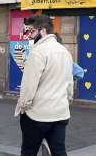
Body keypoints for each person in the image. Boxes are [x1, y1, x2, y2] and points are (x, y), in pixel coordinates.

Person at [15, 15, 74, 156]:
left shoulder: (37, 52)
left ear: (43, 31)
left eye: (32, 31)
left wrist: (23, 107)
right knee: (59, 152)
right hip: (60, 113)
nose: (30, 35)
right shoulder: (65, 52)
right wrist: (66, 102)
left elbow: (29, 85)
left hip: (37, 115)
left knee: (29, 152)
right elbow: (69, 84)